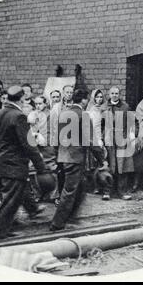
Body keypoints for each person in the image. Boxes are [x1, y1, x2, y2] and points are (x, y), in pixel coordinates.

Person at [0, 86, 51, 240]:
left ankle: (4, 229)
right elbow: (29, 144)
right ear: (22, 99)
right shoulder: (19, 116)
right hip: (14, 166)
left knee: (12, 199)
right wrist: (41, 168)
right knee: (10, 202)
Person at [50, 89, 106, 231]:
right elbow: (91, 141)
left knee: (80, 186)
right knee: (69, 190)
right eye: (87, 99)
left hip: (64, 156)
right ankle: (58, 223)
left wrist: (57, 156)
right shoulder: (84, 115)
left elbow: (56, 137)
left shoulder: (64, 113)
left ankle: (71, 216)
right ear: (84, 100)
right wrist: (102, 160)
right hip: (75, 158)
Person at [103, 86, 135, 200]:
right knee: (109, 166)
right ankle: (107, 191)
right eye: (112, 93)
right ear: (109, 94)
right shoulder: (105, 107)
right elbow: (101, 124)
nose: (115, 95)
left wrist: (129, 137)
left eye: (117, 93)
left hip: (122, 139)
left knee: (122, 166)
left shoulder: (125, 107)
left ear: (119, 94)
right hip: (109, 140)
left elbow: (131, 123)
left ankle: (122, 191)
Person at [28, 96, 59, 203]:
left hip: (48, 144)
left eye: (40, 103)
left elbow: (56, 129)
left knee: (52, 168)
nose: (38, 106)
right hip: (35, 145)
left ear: (45, 104)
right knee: (32, 169)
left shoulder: (52, 114)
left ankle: (54, 195)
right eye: (36, 104)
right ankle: (38, 193)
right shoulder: (32, 114)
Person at [86, 89, 107, 194]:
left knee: (101, 164)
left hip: (102, 138)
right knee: (92, 164)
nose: (99, 99)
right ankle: (94, 186)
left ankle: (101, 186)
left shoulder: (104, 110)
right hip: (93, 139)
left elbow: (105, 126)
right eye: (97, 97)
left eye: (100, 97)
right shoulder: (90, 111)